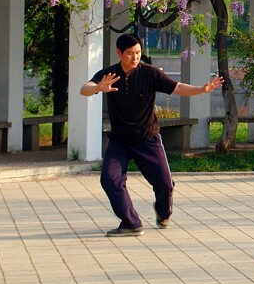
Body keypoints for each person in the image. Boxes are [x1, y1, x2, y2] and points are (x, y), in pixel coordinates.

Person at [81, 33, 223, 237]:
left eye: (138, 53)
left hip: (147, 137)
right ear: (119, 53)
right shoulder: (109, 74)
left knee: (165, 184)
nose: (135, 57)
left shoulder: (150, 73)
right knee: (109, 179)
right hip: (120, 140)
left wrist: (202, 89)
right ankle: (130, 222)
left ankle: (163, 211)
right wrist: (98, 88)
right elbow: (84, 89)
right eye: (130, 53)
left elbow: (177, 87)